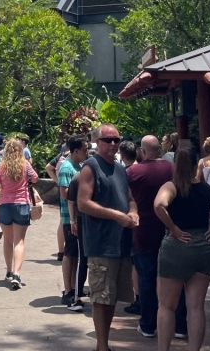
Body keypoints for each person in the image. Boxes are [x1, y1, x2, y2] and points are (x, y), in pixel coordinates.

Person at [154, 144, 210, 351]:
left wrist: (173, 228)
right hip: (204, 246)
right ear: (196, 165)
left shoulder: (171, 187)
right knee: (195, 307)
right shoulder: (207, 190)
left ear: (175, 165)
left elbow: (159, 205)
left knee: (166, 306)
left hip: (176, 247)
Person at [78, 123, 138, 351]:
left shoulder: (121, 168)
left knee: (112, 298)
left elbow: (130, 198)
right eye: (108, 140)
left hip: (121, 243)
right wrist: (115, 215)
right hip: (101, 244)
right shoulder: (90, 167)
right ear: (97, 142)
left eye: (116, 140)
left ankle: (104, 344)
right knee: (101, 297)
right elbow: (83, 203)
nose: (113, 144)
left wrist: (133, 212)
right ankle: (102, 346)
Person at [126, 135, 188, 339]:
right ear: (159, 150)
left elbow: (126, 197)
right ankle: (180, 326)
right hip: (174, 231)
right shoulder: (173, 170)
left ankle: (148, 324)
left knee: (147, 280)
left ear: (142, 152)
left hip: (144, 231)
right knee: (177, 279)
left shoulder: (133, 172)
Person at [0, 138, 39, 290]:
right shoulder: (25, 165)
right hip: (22, 205)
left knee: (8, 241)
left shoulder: (1, 167)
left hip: (4, 205)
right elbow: (35, 178)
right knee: (19, 241)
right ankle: (17, 274)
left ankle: (9, 271)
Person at [58, 135, 88, 309]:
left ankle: (75, 287)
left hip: (78, 217)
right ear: (75, 150)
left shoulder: (80, 166)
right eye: (84, 150)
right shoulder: (67, 168)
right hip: (70, 218)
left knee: (77, 254)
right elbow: (64, 193)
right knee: (70, 253)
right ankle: (68, 290)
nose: (86, 153)